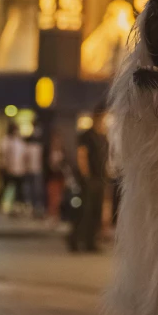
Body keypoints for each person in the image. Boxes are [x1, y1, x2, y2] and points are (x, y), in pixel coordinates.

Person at [67, 107, 108, 253]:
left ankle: (90, 242)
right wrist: (86, 175)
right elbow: (81, 154)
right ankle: (75, 239)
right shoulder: (87, 135)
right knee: (85, 210)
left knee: (95, 212)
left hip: (100, 178)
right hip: (89, 179)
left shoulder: (103, 136)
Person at [0, 123, 25, 214]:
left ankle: (16, 207)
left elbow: (23, 156)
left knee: (18, 190)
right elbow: (2, 153)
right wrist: (5, 166)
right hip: (8, 169)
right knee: (5, 187)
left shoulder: (20, 142)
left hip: (19, 170)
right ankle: (0, 205)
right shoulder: (6, 140)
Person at [46, 130, 67, 223]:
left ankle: (57, 216)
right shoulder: (48, 151)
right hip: (52, 177)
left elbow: (65, 164)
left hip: (59, 177)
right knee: (52, 197)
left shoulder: (62, 151)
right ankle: (52, 215)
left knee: (59, 197)